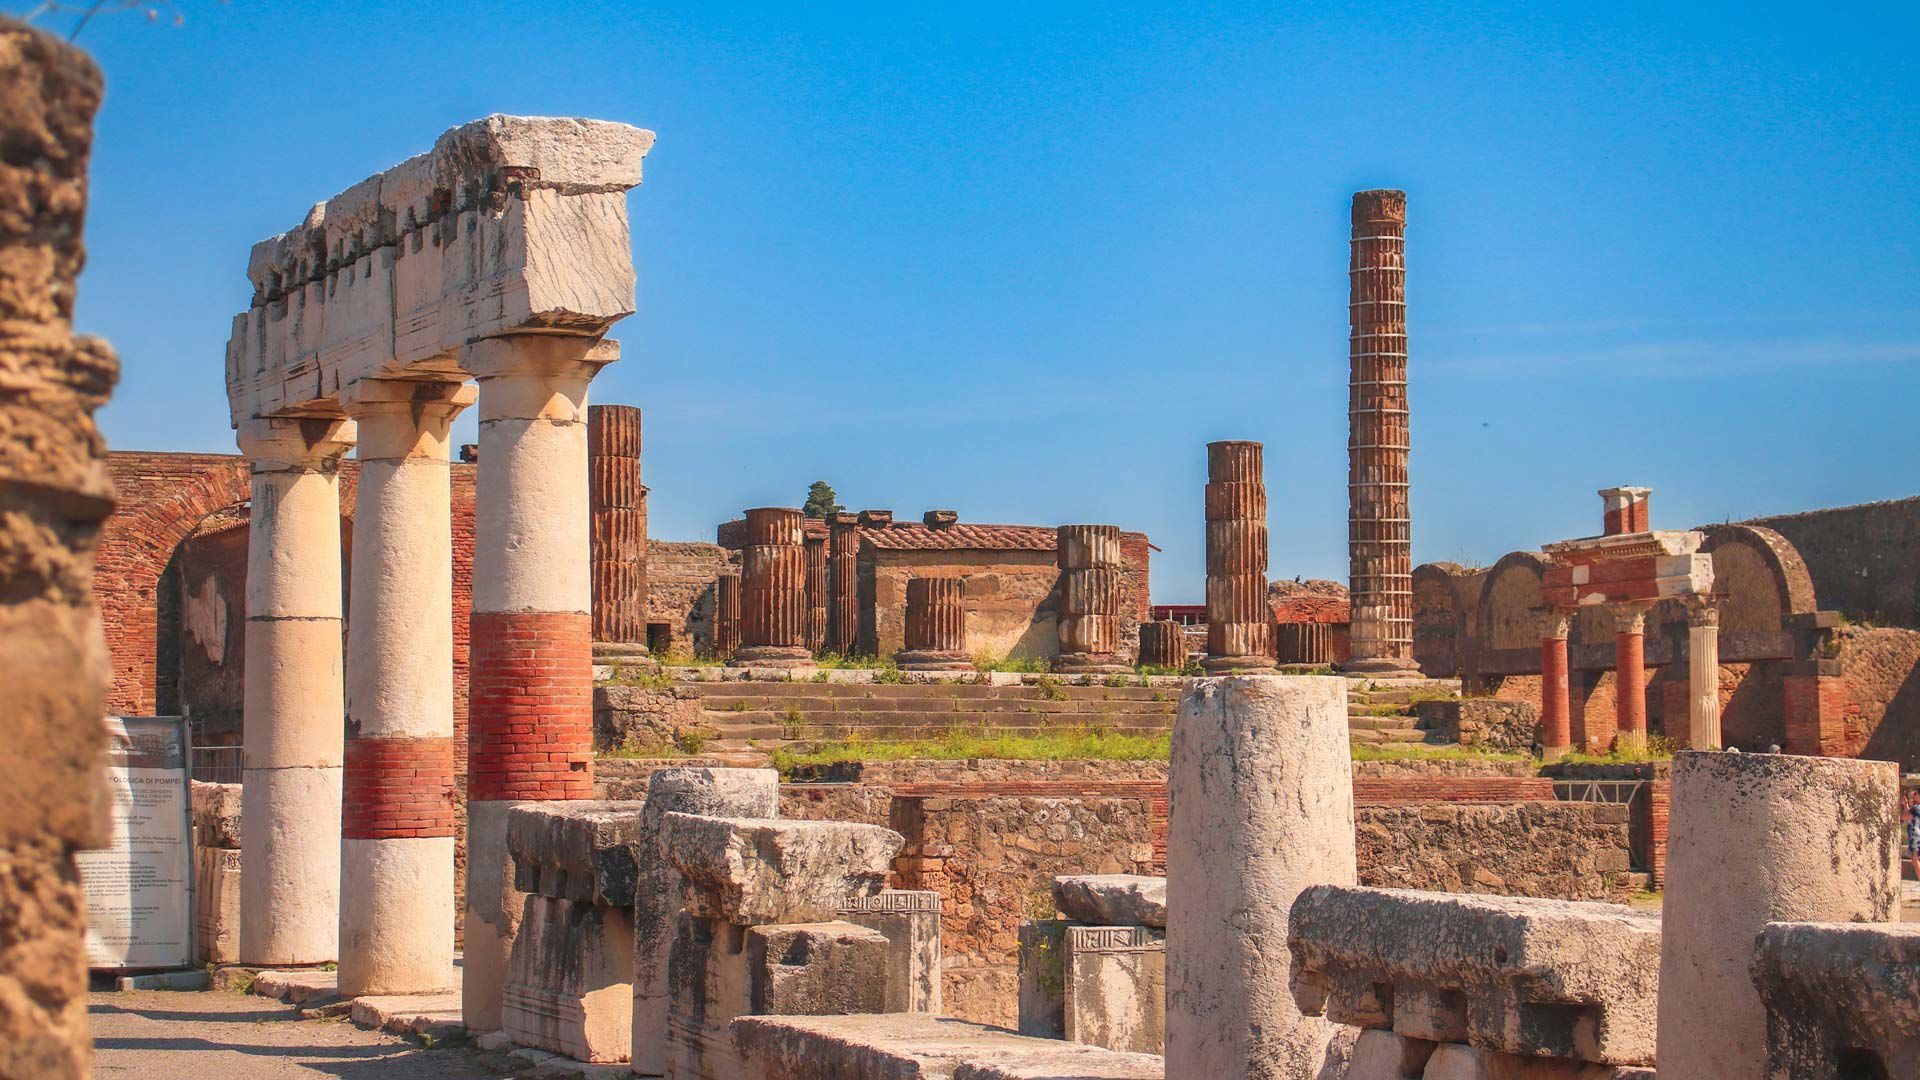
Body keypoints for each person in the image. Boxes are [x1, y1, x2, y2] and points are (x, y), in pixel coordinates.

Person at [1907, 789, 1920, 881]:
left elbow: (1905, 817)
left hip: (1916, 837)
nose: (1914, 796)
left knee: (1915, 860)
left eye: (1915, 794)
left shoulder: (1916, 808)